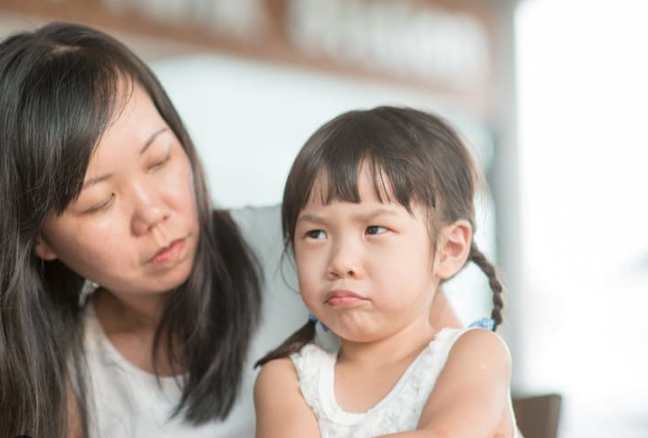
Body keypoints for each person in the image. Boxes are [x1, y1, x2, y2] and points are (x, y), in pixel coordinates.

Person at [0, 23, 465, 438]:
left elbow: (480, 416)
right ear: (39, 238)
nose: (153, 214)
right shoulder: (66, 376)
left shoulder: (321, 245)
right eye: (99, 201)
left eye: (159, 160)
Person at [254, 107, 518, 437]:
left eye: (375, 229)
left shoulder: (475, 354)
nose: (340, 262)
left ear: (448, 250)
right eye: (316, 234)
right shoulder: (287, 380)